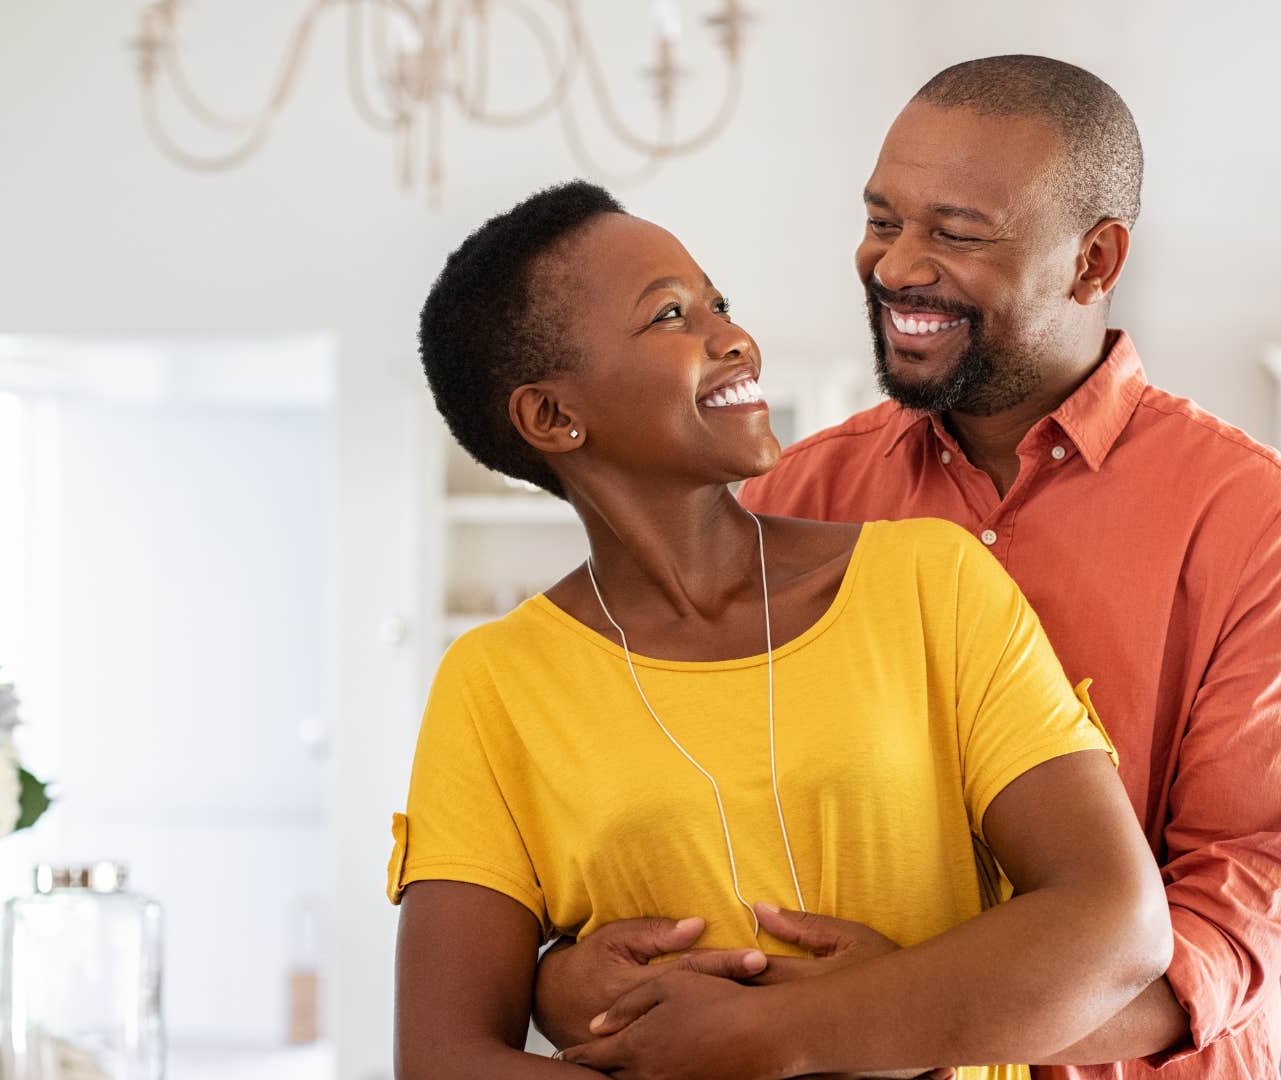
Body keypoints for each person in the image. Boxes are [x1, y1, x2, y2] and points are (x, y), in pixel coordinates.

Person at [534, 55, 1281, 1080]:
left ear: (1094, 260)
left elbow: (1225, 929)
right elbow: (666, 814)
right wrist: (564, 972)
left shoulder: (1257, 523)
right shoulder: (793, 495)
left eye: (955, 234)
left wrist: (889, 1018)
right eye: (883, 222)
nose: (895, 266)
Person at [389, 179, 1173, 1080]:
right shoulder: (496, 682)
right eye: (670, 316)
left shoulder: (931, 581)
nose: (732, 337)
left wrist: (785, 1035)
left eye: (718, 303)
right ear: (553, 417)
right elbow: (443, 1058)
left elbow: (1117, 922)